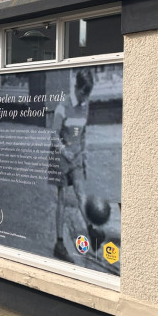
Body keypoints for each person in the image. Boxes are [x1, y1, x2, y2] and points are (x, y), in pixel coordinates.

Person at [50, 68, 105, 261]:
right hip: (60, 158)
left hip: (76, 158)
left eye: (88, 95)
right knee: (62, 199)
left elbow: (82, 133)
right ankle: (59, 243)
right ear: (76, 88)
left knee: (81, 194)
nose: (85, 98)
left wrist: (83, 154)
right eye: (83, 93)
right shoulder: (62, 107)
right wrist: (64, 151)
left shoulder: (85, 105)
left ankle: (91, 231)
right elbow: (53, 135)